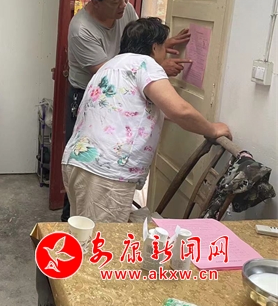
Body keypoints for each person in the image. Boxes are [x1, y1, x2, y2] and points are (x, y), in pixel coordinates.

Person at [62, 17, 232, 222]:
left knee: (85, 229)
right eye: (164, 47)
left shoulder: (111, 65)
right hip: (106, 171)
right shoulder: (146, 64)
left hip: (77, 161)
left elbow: (138, 108)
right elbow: (180, 111)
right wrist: (212, 129)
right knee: (104, 237)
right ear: (154, 47)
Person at [60, 0, 191, 221]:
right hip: (91, 93)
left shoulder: (125, 9)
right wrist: (156, 65)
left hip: (124, 90)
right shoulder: (81, 29)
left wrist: (159, 44)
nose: (124, 5)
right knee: (88, 167)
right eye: (115, 2)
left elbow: (135, 43)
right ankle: (73, 222)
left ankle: (88, 221)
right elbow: (111, 72)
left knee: (97, 182)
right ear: (95, 2)